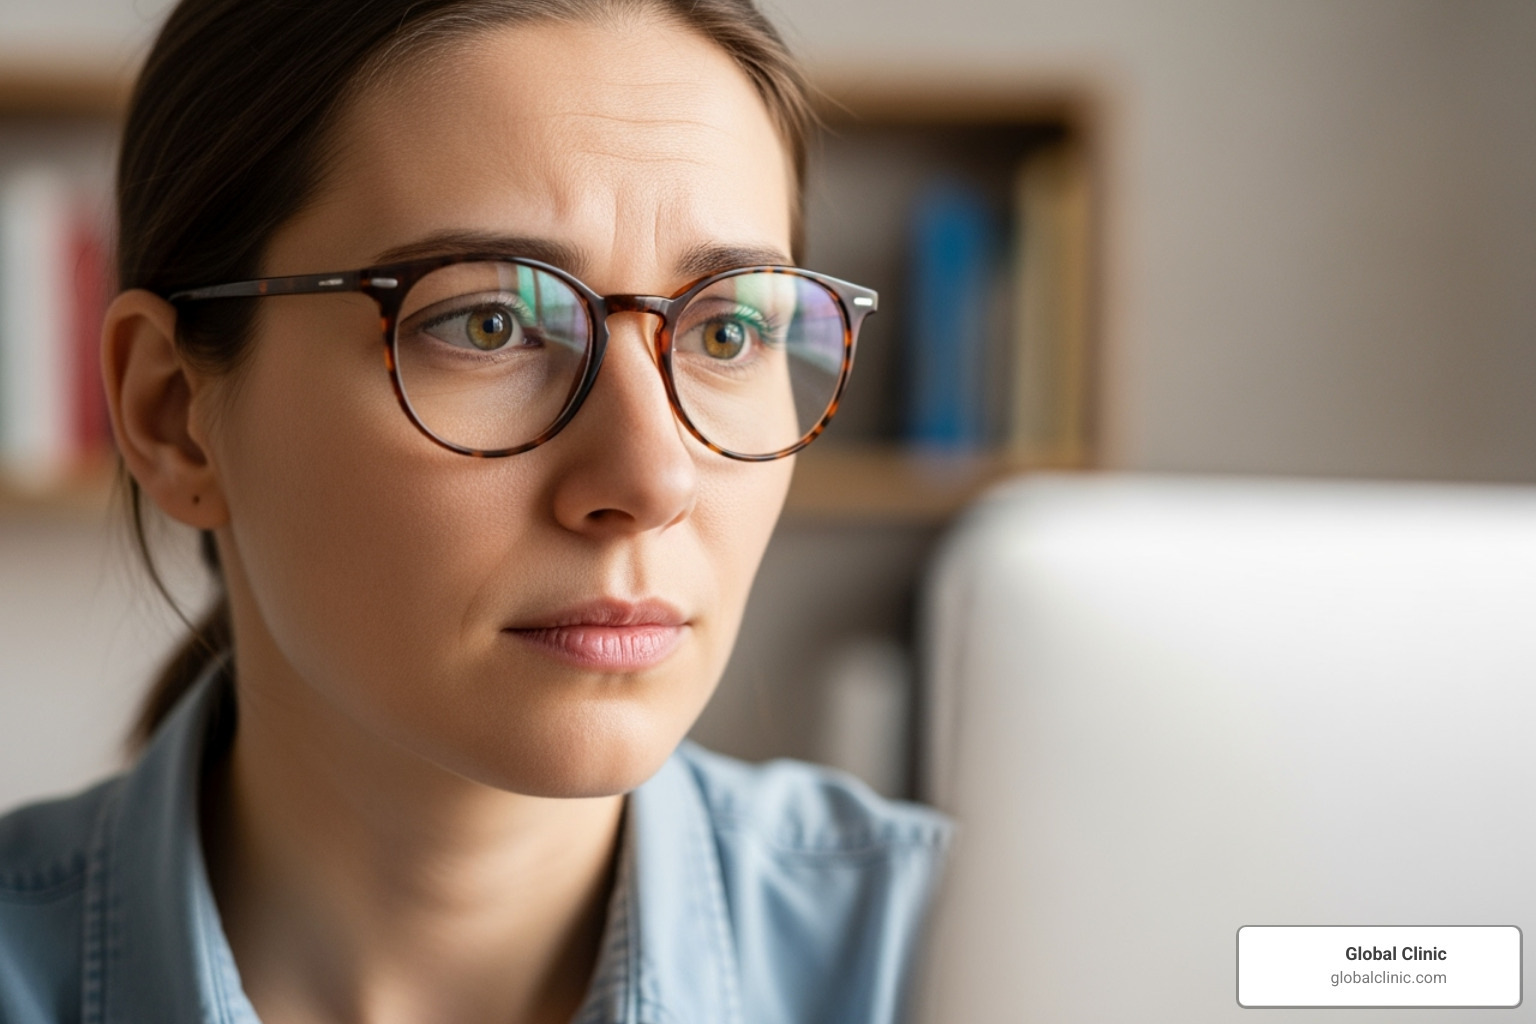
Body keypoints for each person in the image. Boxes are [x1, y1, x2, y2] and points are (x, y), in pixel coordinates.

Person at [0, 0, 951, 1021]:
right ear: (173, 415)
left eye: (728, 333)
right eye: (490, 322)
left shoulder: (971, 962)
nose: (652, 480)